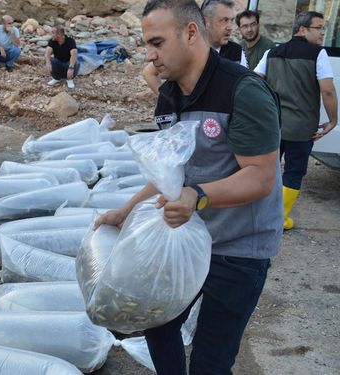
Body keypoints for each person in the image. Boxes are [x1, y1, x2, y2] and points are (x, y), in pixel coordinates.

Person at [95, 1, 282, 374]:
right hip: (187, 241)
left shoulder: (243, 91)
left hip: (239, 249)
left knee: (211, 360)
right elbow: (170, 169)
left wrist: (197, 195)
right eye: (147, 44)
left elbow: (261, 177)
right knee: (155, 320)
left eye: (157, 43)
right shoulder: (169, 97)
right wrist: (126, 209)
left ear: (191, 34)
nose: (150, 55)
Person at [254, 11, 337, 230]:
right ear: (303, 29)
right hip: (302, 128)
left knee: (268, 170)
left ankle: (258, 215)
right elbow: (327, 91)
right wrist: (333, 120)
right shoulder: (318, 54)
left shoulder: (272, 52)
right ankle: (279, 218)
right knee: (294, 171)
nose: (322, 33)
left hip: (273, 125)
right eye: (318, 28)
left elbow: (254, 81)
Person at [143, 0, 247, 94]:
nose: (230, 27)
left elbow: (243, 85)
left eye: (231, 21)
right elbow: (149, 73)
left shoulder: (237, 51)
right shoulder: (189, 51)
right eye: (224, 20)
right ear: (206, 22)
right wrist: (166, 98)